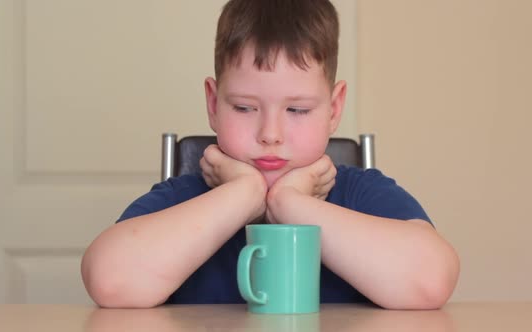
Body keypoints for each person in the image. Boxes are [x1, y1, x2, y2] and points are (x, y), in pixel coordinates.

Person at [81, 0, 460, 309]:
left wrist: (289, 203)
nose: (270, 135)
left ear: (334, 108)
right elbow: (111, 281)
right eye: (245, 108)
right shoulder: (185, 197)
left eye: (297, 110)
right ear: (213, 104)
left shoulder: (362, 194)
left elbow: (429, 282)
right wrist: (242, 194)